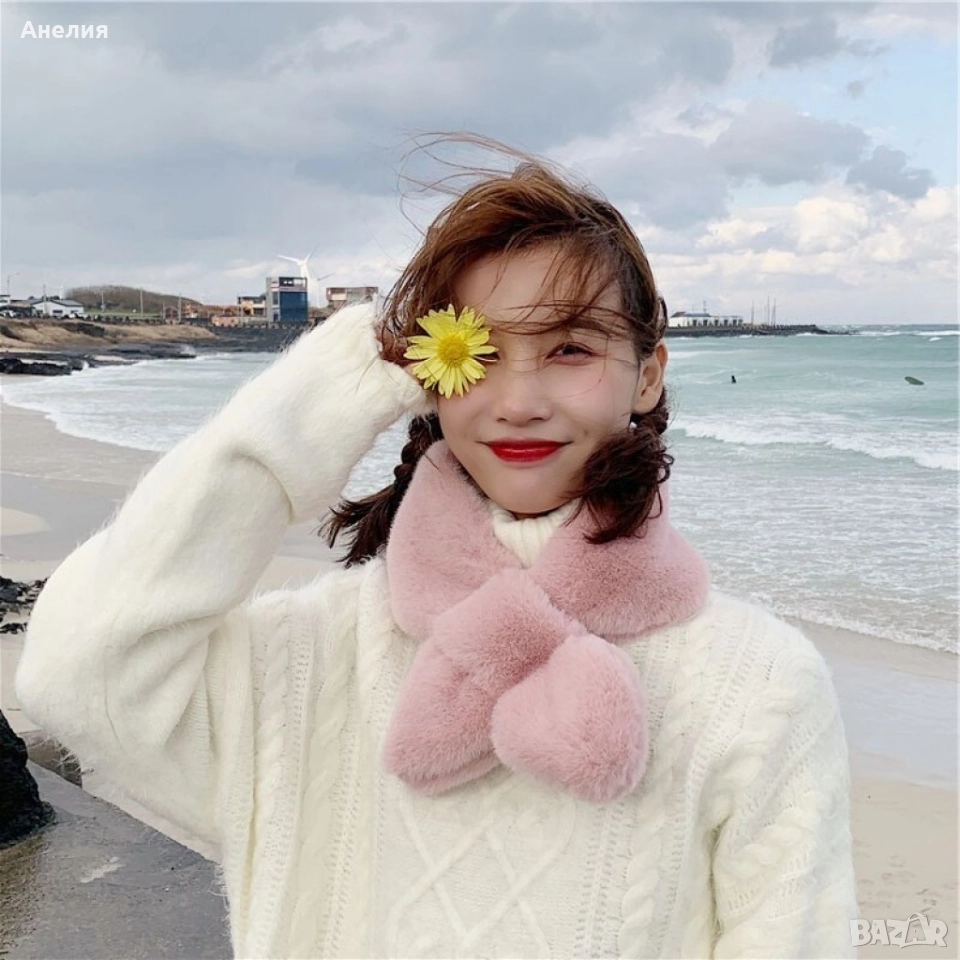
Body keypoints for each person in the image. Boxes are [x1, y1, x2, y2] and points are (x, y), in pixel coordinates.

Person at [16, 140, 858, 958]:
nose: (519, 401)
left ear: (647, 374)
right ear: (426, 377)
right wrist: (332, 391)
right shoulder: (310, 658)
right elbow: (78, 673)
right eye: (476, 352)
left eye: (570, 347)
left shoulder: (760, 683)